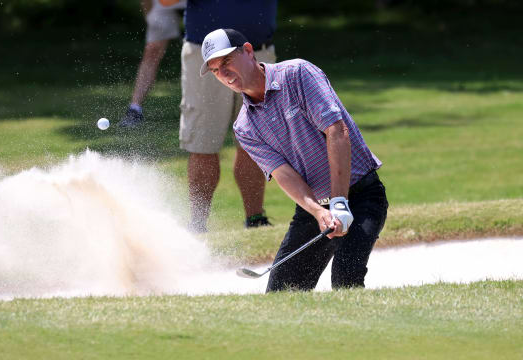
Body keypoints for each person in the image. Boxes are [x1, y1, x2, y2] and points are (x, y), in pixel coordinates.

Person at [200, 28, 389, 291]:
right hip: (314, 208)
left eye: (227, 62)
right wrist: (319, 211)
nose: (225, 74)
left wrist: (339, 203)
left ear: (248, 51)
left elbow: (337, 131)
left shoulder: (298, 74)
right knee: (282, 294)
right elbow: (283, 173)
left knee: (346, 280)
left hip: (361, 195)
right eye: (216, 70)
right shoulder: (244, 126)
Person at [160, 0, 278, 233]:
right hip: (204, 57)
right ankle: (198, 225)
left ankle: (255, 219)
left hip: (257, 51)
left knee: (256, 141)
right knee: (203, 143)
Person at [118, 0, 186, 128]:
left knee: (205, 53)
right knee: (152, 51)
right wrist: (149, 15)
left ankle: (214, 108)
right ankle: (135, 109)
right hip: (163, 3)